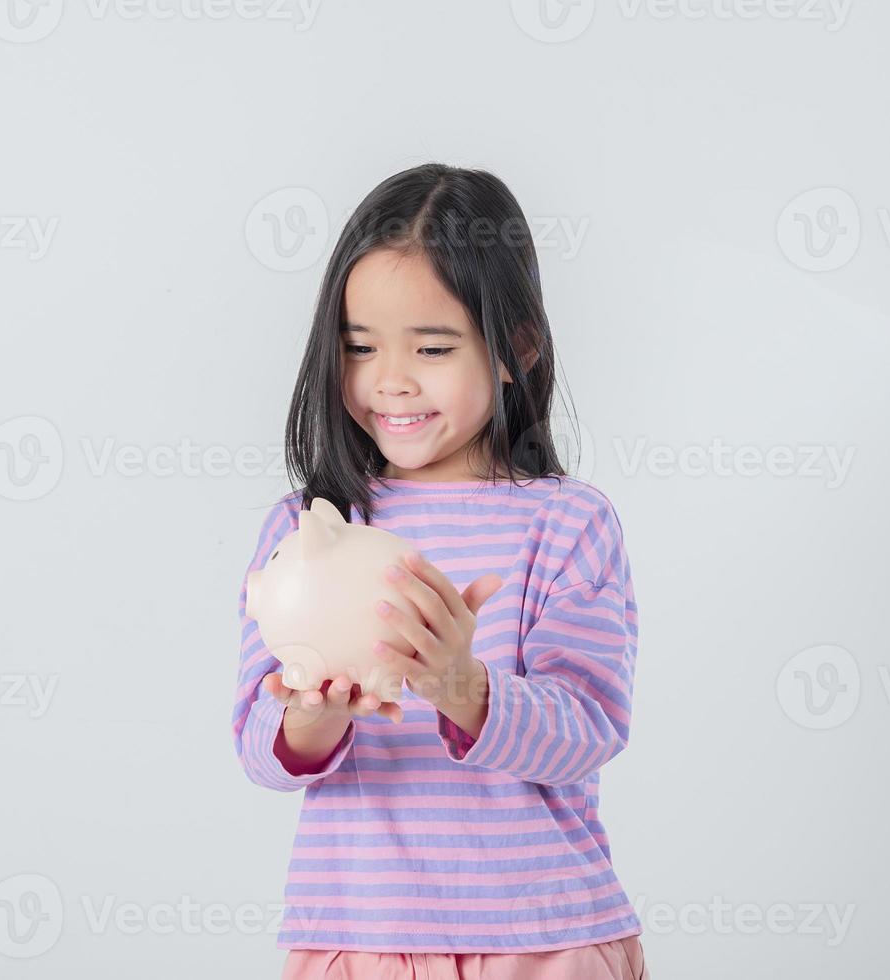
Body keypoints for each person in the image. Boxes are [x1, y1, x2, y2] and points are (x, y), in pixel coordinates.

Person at [231, 163, 650, 980]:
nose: (390, 380)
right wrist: (314, 717)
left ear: (515, 349)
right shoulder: (308, 529)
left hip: (544, 936)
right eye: (360, 348)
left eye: (431, 347)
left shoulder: (568, 524)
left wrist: (462, 683)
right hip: (359, 936)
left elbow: (590, 726)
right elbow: (257, 742)